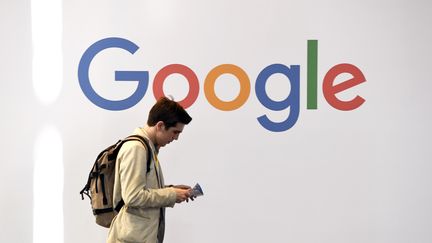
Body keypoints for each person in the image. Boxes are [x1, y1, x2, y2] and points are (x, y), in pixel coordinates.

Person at [107, 97, 193, 243]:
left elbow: (142, 188)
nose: (176, 138)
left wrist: (173, 190)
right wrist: (171, 195)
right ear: (160, 125)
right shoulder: (136, 148)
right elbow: (133, 196)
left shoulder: (147, 147)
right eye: (175, 132)